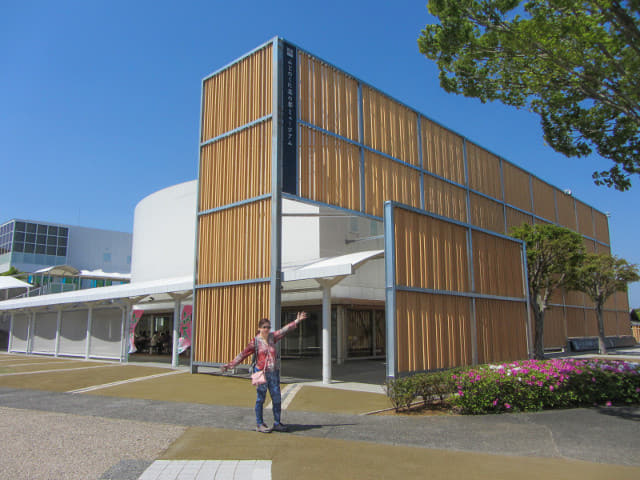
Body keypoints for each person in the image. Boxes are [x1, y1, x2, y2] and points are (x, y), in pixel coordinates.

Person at [221, 312, 307, 433]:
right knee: (260, 398)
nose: (267, 329)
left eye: (268, 327)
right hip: (261, 373)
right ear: (259, 328)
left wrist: (297, 321)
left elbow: (284, 330)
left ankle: (277, 423)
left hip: (274, 372)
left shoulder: (273, 337)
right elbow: (243, 354)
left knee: (277, 398)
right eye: (264, 327)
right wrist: (230, 365)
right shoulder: (255, 342)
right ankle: (259, 423)